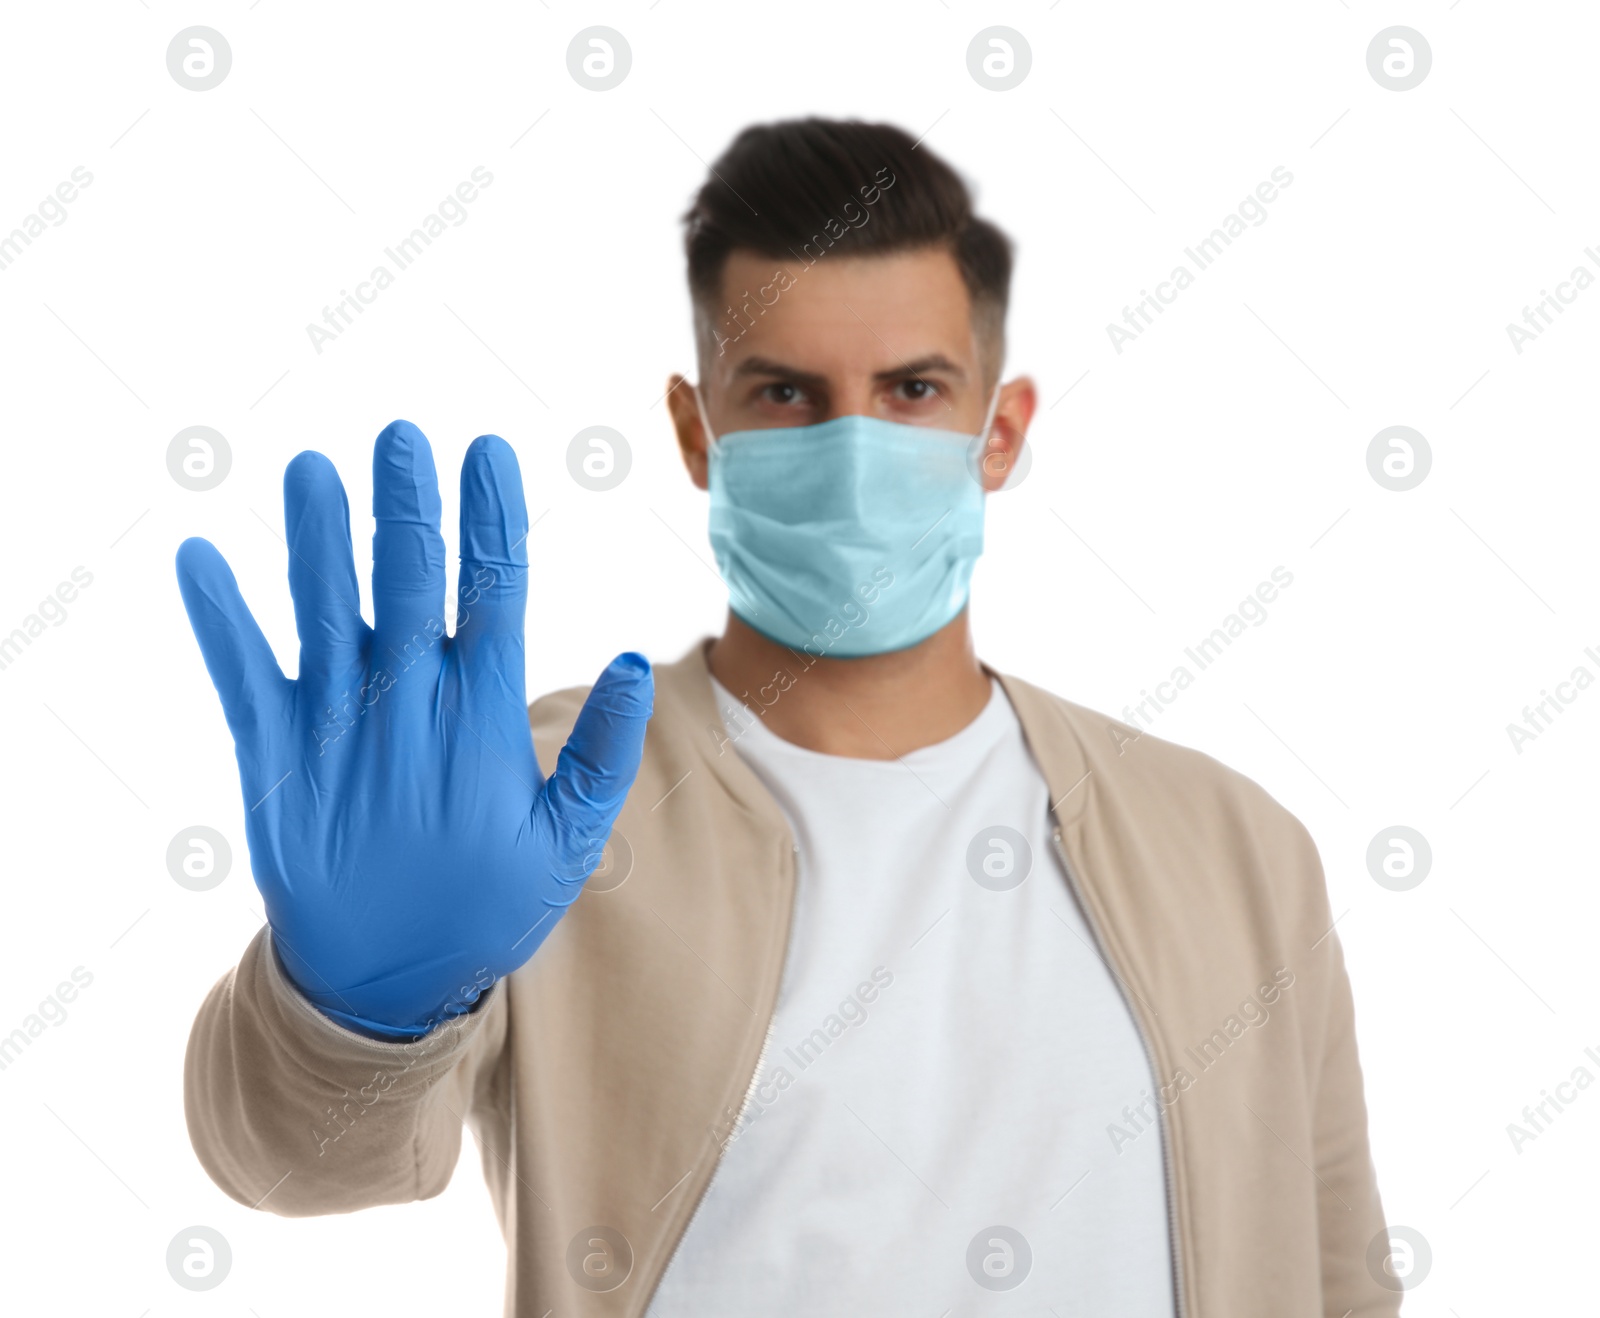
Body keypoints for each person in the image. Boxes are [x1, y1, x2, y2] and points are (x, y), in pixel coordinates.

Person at [176, 118, 1398, 1317]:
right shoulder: (533, 808)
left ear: (1000, 430)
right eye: (785, 392)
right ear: (695, 430)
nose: (853, 449)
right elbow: (289, 1162)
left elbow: (1339, 1275)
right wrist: (351, 1008)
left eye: (913, 388)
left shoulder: (1233, 847)